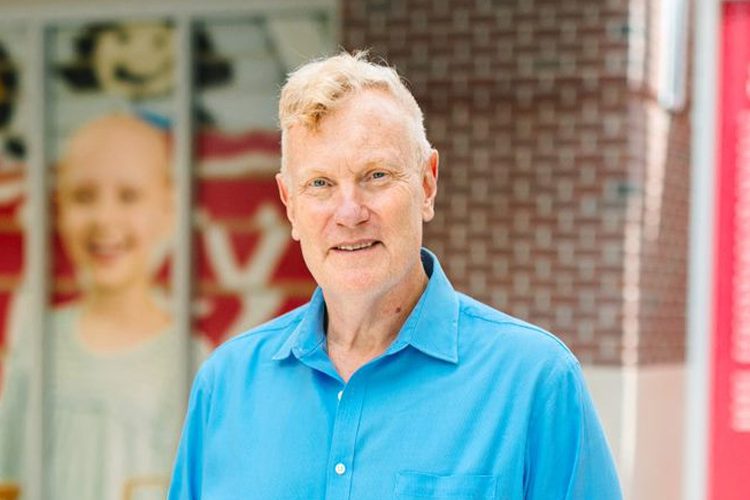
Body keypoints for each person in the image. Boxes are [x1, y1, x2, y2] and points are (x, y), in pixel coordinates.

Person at [168, 52, 623, 499]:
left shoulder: (534, 381)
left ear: (427, 184)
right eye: (320, 184)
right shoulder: (225, 385)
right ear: (289, 204)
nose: (349, 213)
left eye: (376, 175)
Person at [0, 114, 191, 500]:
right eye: (84, 196)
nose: (105, 218)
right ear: (60, 210)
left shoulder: (190, 360)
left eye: (129, 196)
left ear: (168, 211)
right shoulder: (38, 343)